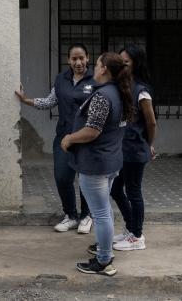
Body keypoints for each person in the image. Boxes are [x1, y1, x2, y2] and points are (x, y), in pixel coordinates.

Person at [60, 52, 133, 276]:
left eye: (98, 63)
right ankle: (104, 253)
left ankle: (103, 261)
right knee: (104, 210)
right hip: (110, 161)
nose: (94, 66)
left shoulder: (103, 96)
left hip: (96, 163)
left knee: (100, 213)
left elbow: (92, 131)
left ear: (103, 70)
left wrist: (70, 138)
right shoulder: (119, 92)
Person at [15, 44, 94, 234]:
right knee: (62, 177)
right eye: (74, 59)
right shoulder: (61, 79)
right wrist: (27, 100)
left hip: (87, 138)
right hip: (64, 138)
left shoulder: (96, 80)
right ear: (68, 60)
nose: (78, 62)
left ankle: (86, 216)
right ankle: (71, 215)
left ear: (88, 58)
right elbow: (50, 101)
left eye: (81, 58)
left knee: (85, 179)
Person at [110, 45, 157, 251]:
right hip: (124, 150)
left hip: (135, 150)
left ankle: (137, 236)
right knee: (115, 189)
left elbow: (151, 122)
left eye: (126, 62)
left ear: (136, 64)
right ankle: (131, 227)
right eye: (120, 62)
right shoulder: (124, 86)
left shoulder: (142, 91)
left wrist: (148, 145)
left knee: (133, 192)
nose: (122, 66)